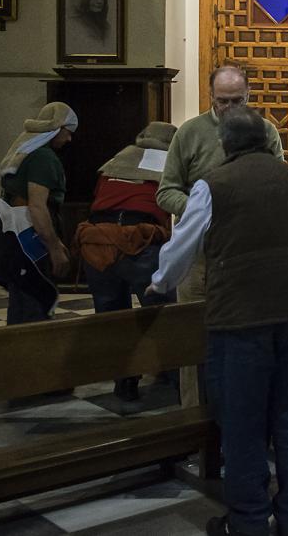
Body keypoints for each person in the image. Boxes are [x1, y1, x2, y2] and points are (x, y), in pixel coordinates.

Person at [148, 107, 288, 536]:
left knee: (243, 426)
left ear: (225, 144)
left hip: (241, 319)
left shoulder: (214, 185)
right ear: (267, 140)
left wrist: (159, 283)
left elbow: (183, 245)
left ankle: (247, 524)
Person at [157, 64, 283, 408]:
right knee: (194, 342)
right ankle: (194, 417)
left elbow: (276, 183)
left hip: (246, 256)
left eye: (237, 101)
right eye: (222, 101)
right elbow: (166, 192)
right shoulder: (190, 133)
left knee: (245, 341)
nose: (229, 108)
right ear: (210, 97)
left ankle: (242, 416)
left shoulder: (265, 131)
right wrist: (203, 212)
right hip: (200, 256)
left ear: (249, 96)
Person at [75, 121, 177, 402]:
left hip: (98, 242)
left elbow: (98, 198)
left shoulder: (115, 161)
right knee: (161, 314)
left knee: (112, 319)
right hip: (139, 242)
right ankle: (173, 377)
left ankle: (124, 382)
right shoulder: (167, 164)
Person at [0, 102, 77, 325]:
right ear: (57, 129)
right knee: (36, 309)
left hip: (12, 240)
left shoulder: (24, 151)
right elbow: (37, 208)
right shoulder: (43, 158)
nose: (69, 139)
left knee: (19, 305)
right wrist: (54, 248)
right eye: (68, 133)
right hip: (31, 243)